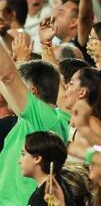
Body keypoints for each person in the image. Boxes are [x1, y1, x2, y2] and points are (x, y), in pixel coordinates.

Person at [0, 56, 70, 205]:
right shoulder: (47, 120)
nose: (8, 94)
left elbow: (8, 77)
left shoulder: (45, 120)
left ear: (32, 92)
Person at [21, 131, 75, 206]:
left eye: (23, 154)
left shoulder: (46, 196)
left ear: (37, 158)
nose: (19, 161)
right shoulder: (60, 184)